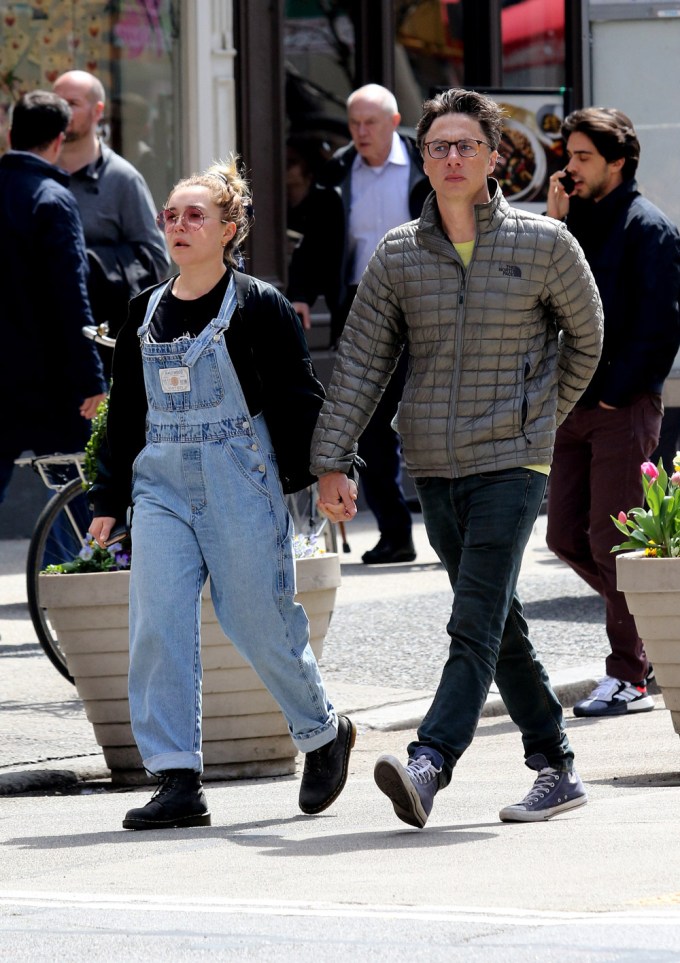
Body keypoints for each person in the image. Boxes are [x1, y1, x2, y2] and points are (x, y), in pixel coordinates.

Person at [310, 88, 603, 829]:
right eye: (438, 145)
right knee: (498, 620)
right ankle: (555, 764)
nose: (450, 157)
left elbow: (587, 338)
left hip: (513, 459)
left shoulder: (544, 244)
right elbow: (361, 363)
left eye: (465, 144)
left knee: (471, 619)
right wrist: (332, 458)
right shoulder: (401, 254)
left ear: (494, 156)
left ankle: (429, 760)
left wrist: (539, 418)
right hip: (436, 465)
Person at [89, 156, 356, 830]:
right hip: (160, 486)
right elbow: (125, 412)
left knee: (254, 615)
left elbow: (300, 396)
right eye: (171, 215)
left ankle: (324, 732)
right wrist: (106, 498)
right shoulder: (143, 311)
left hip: (241, 474)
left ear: (229, 228)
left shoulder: (258, 305)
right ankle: (177, 777)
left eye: (194, 215)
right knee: (158, 621)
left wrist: (330, 470)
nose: (178, 225)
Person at [546, 107, 680, 718]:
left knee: (614, 542)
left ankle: (629, 675)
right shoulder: (575, 222)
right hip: (571, 404)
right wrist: (553, 224)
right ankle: (657, 626)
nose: (568, 168)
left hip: (618, 405)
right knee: (565, 535)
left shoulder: (648, 228)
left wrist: (612, 392)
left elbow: (661, 326)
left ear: (617, 163)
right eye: (567, 155)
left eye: (581, 158)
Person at [289, 84, 431, 566]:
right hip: (360, 303)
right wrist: (302, 295)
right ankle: (396, 532)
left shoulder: (426, 162)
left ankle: (455, 531)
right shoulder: (338, 169)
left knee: (433, 416)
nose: (361, 132)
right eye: (354, 123)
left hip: (426, 301)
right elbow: (315, 240)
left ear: (394, 122)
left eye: (370, 123)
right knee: (368, 422)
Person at [0, 91, 107, 503]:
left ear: (10, 134)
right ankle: (72, 566)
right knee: (76, 496)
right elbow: (70, 296)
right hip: (49, 382)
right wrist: (91, 378)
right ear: (59, 140)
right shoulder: (53, 199)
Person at [53, 71, 169, 347]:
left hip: (98, 336)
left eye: (72, 103)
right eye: (56, 102)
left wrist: (88, 262)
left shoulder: (122, 179)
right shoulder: (34, 174)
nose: (61, 110)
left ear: (98, 111)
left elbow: (156, 260)